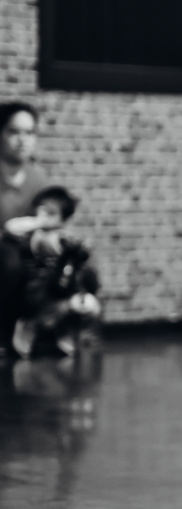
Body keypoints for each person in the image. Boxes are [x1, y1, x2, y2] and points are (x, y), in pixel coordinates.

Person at [3, 187, 101, 359]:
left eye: (51, 212)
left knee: (89, 306)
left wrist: (77, 254)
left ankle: (63, 330)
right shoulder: (34, 235)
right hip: (37, 299)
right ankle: (31, 325)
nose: (44, 215)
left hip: (62, 297)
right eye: (41, 209)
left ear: (63, 218)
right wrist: (39, 221)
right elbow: (12, 228)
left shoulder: (68, 238)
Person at [0, 102, 49, 353]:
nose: (22, 140)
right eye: (14, 131)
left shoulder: (38, 179)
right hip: (4, 250)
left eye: (29, 133)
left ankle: (41, 331)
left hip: (27, 248)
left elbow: (48, 220)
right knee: (10, 263)